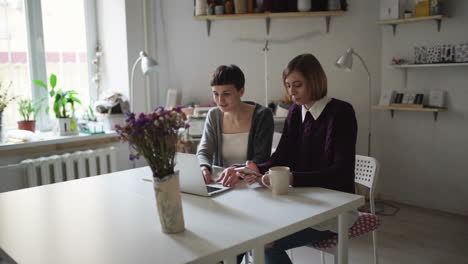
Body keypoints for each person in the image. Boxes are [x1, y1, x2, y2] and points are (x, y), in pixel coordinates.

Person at [239, 53, 358, 264]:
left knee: (266, 244)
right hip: (300, 203)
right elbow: (281, 156)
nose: (291, 92)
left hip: (335, 209)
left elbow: (340, 172)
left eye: (298, 85)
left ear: (314, 81)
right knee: (251, 233)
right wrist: (256, 168)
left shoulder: (341, 112)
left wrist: (291, 179)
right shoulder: (295, 112)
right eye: (288, 85)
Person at [197, 64, 274, 187]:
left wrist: (237, 172)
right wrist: (203, 168)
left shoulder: (262, 115)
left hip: (252, 185)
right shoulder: (214, 115)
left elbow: (261, 158)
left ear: (241, 91)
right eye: (215, 94)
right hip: (222, 184)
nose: (220, 101)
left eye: (226, 94)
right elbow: (204, 151)